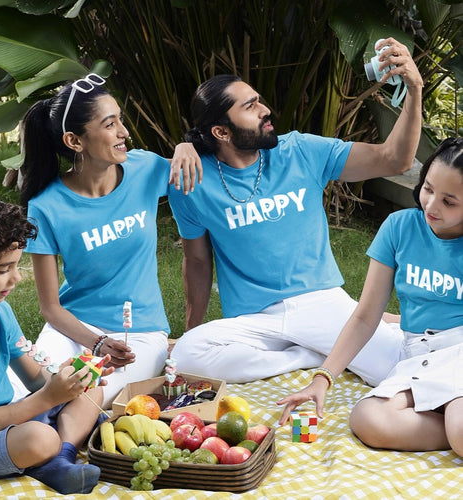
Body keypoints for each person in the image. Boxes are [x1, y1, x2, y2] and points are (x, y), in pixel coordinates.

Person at [168, 38, 423, 386]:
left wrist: (414, 89)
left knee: (398, 368)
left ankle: (327, 343)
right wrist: (193, 329)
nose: (265, 110)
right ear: (221, 132)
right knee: (187, 355)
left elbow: (395, 159)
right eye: (251, 107)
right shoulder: (193, 182)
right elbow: (196, 262)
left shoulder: (300, 151)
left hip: (319, 303)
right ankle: (308, 355)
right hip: (256, 320)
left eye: (259, 100)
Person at [19, 73, 200, 408]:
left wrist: (186, 144)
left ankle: (57, 452)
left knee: (88, 398)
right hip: (72, 328)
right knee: (32, 389)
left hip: (140, 333)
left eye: (121, 120)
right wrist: (97, 342)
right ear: (75, 141)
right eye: (110, 124)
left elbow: (203, 168)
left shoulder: (144, 169)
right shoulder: (46, 206)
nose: (124, 132)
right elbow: (50, 307)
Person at [278, 138, 463, 456]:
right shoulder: (400, 227)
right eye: (428, 189)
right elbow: (366, 315)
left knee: (460, 429)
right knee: (368, 419)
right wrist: (323, 378)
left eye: (450, 201)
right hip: (419, 355)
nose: (431, 206)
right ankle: (451, 427)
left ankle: (454, 426)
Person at [0, 192, 113, 494]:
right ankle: (53, 454)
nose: (16, 278)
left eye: (16, 266)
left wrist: (70, 378)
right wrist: (48, 398)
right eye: (3, 270)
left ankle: (61, 457)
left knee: (91, 386)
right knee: (39, 438)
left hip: (6, 419)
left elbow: (34, 378)